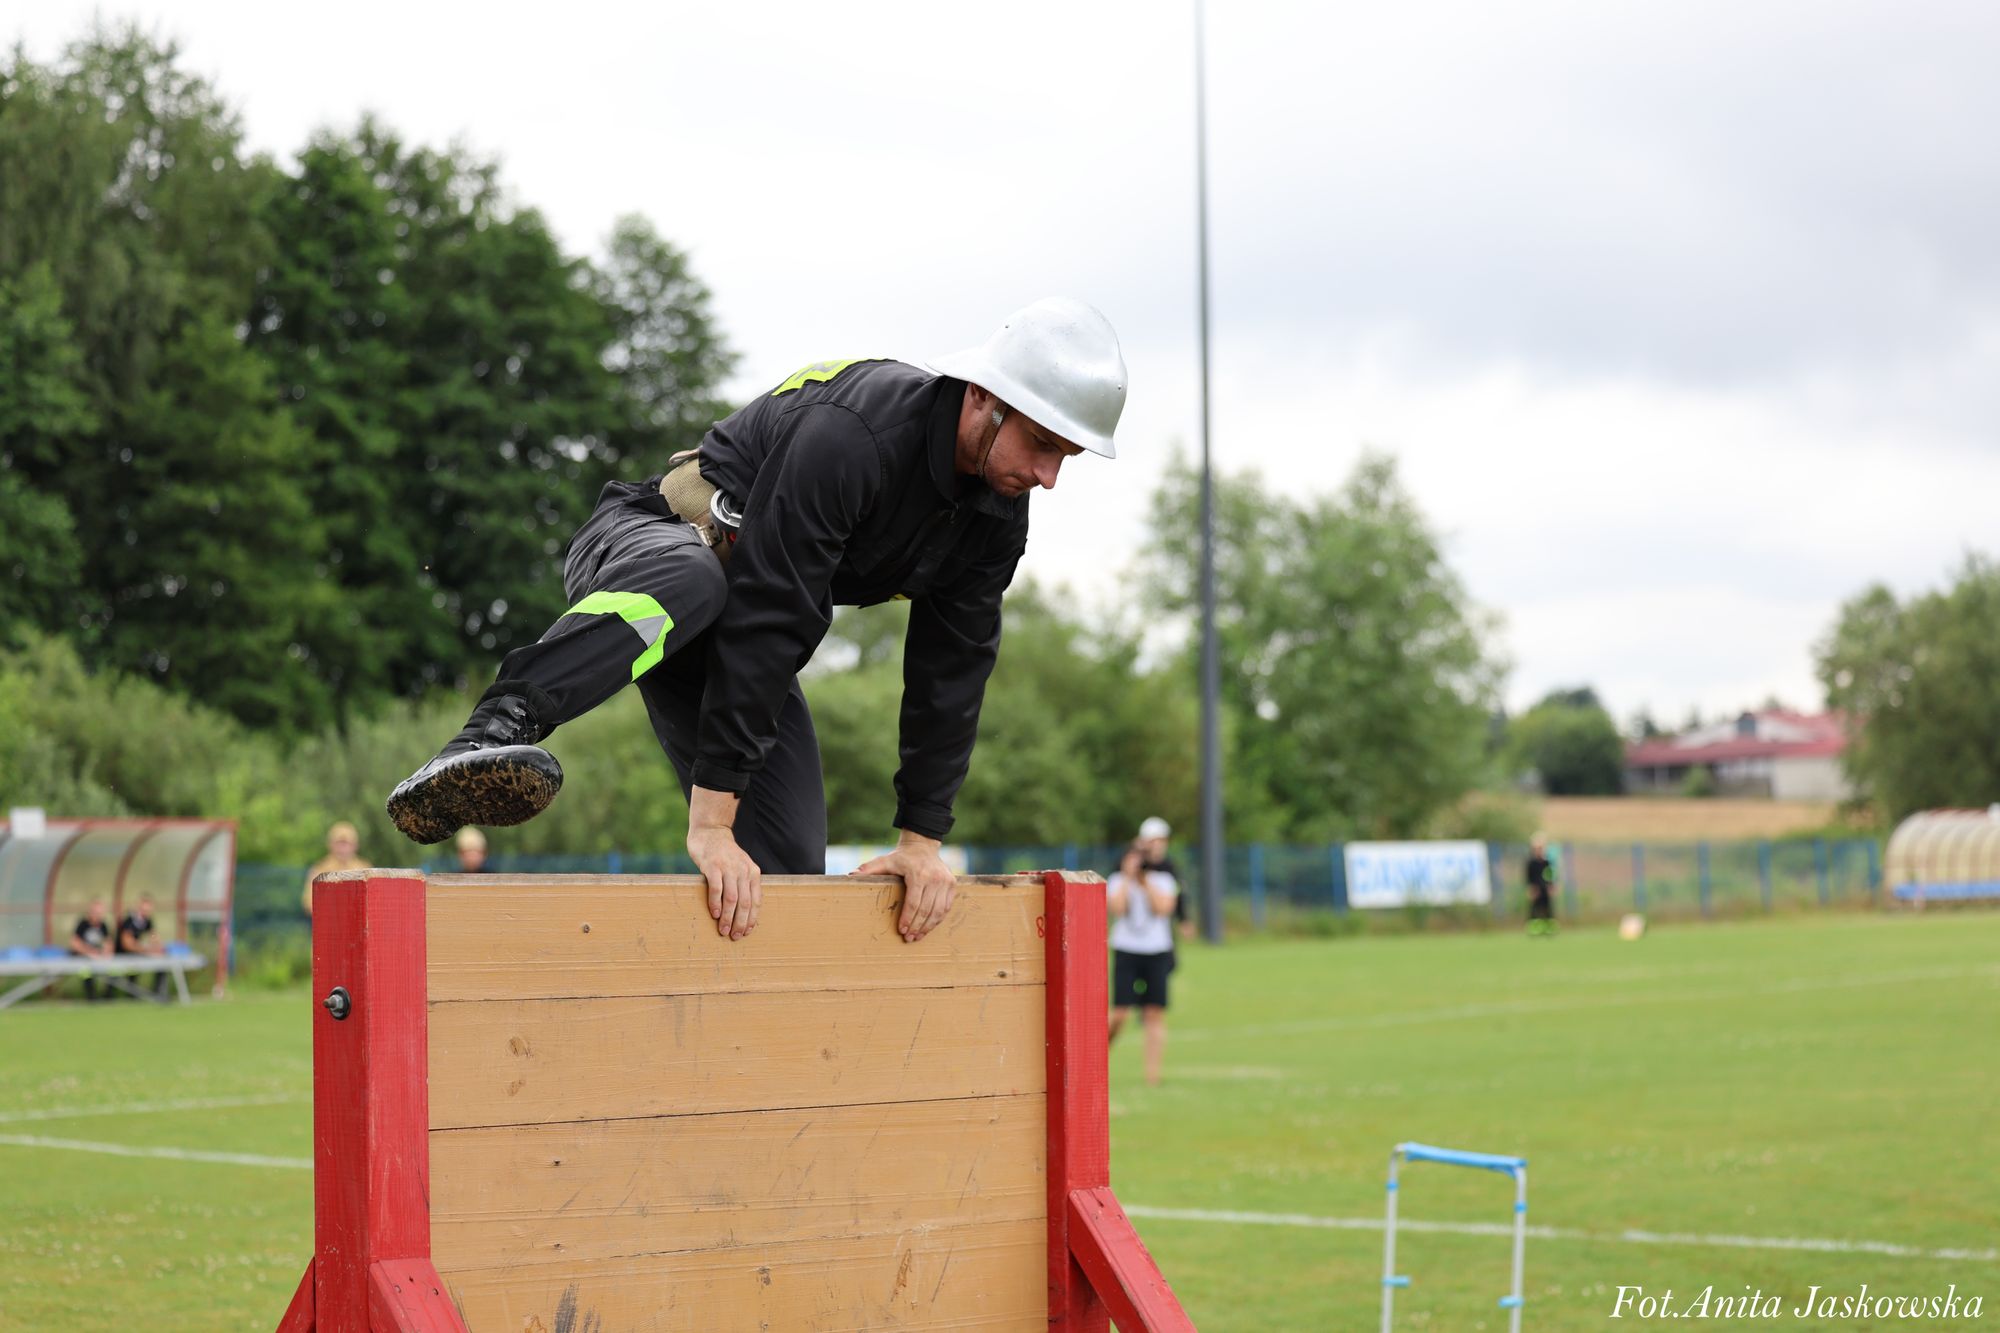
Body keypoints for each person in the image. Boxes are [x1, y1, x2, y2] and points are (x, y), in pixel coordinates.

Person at [384, 299, 1128, 947]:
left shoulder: (995, 515)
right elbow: (778, 613)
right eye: (1043, 445)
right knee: (694, 580)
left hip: (734, 621)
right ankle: (491, 732)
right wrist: (710, 825)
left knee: (783, 869)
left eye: (1065, 456)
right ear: (984, 399)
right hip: (647, 546)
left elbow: (952, 669)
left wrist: (920, 841)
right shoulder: (856, 436)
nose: (1049, 476)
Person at [1107, 842, 1178, 1086]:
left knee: (1154, 1013)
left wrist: (1145, 881)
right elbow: (1116, 908)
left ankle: (1152, 1075)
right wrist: (1128, 879)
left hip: (1156, 950)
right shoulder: (1116, 880)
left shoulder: (1163, 879)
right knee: (1120, 1014)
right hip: (1126, 949)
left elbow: (1163, 909)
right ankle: (1099, 1057)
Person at [1135, 816, 1193, 942]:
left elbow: (1179, 892)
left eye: (1161, 841)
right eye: (1153, 841)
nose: (1158, 845)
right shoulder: (1134, 863)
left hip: (1160, 932)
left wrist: (1183, 918)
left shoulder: (1170, 867)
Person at [303, 821, 370, 918]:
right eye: (339, 843)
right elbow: (309, 903)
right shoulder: (319, 870)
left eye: (346, 843)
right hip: (328, 925)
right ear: (330, 845)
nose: (343, 848)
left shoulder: (365, 869)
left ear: (356, 846)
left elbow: (372, 902)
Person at [116, 893, 169, 998]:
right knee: (131, 973)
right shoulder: (130, 920)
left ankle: (158, 992)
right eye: (145, 908)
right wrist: (146, 950)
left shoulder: (147, 920)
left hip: (137, 953)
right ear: (139, 907)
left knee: (162, 964)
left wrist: (158, 946)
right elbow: (127, 943)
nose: (147, 911)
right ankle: (129, 996)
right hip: (122, 954)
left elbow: (153, 935)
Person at [69, 899, 114, 1001]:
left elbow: (108, 942)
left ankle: (108, 996)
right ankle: (91, 997)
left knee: (113, 970)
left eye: (100, 913)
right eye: (96, 912)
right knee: (86, 971)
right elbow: (74, 943)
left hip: (98, 958)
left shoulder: (103, 925)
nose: (98, 915)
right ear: (90, 912)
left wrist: (106, 952)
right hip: (83, 958)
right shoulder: (83, 924)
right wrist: (90, 952)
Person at [1525, 833, 1558, 937]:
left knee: (1548, 908)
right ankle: (1534, 930)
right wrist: (1531, 888)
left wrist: (1551, 886)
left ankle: (1549, 929)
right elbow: (1528, 876)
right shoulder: (1531, 862)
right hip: (1536, 888)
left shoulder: (1546, 862)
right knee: (1534, 909)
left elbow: (1550, 874)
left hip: (1545, 888)